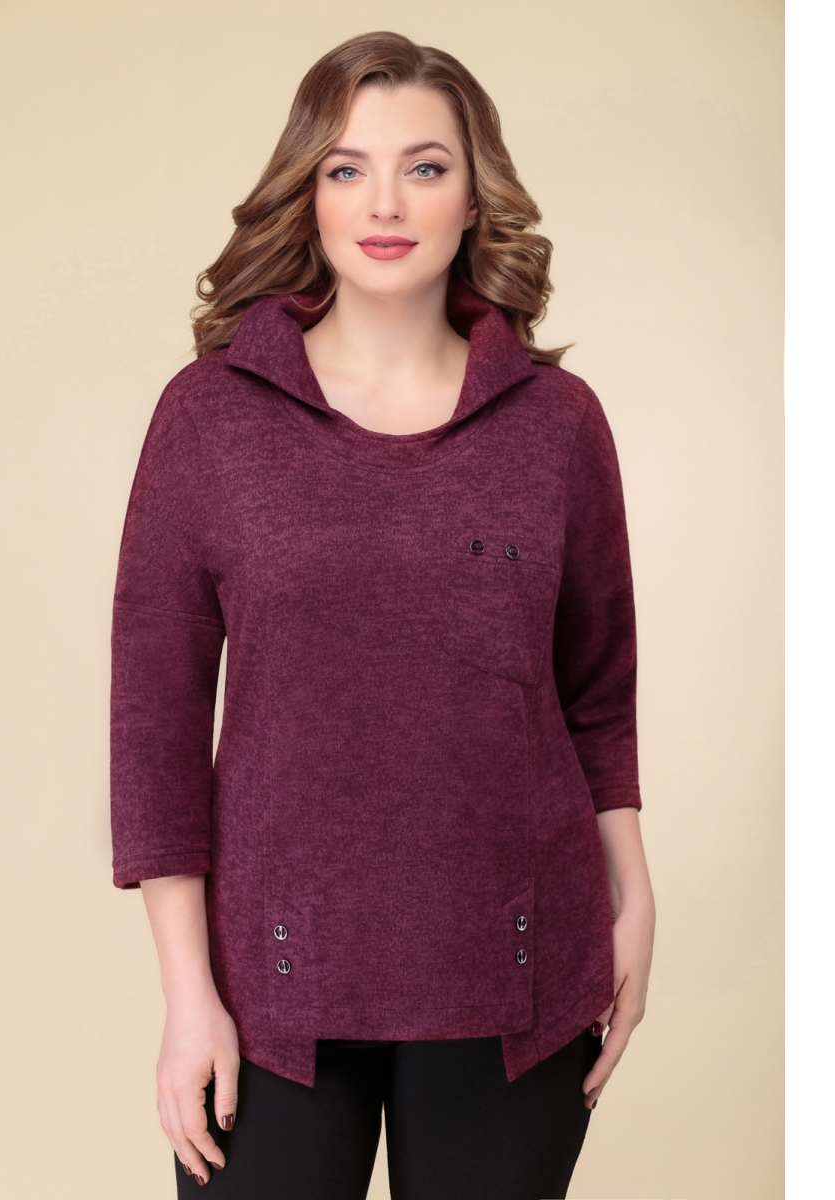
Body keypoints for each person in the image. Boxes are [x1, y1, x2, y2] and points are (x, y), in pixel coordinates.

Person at [110, 30, 655, 1200]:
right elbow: (155, 731)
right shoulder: (211, 417)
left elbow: (596, 694)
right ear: (308, 194)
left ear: (475, 195)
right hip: (269, 988)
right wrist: (187, 995)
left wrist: (637, 898)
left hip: (517, 974)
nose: (386, 202)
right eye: (347, 168)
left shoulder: (556, 423)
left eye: (426, 166)